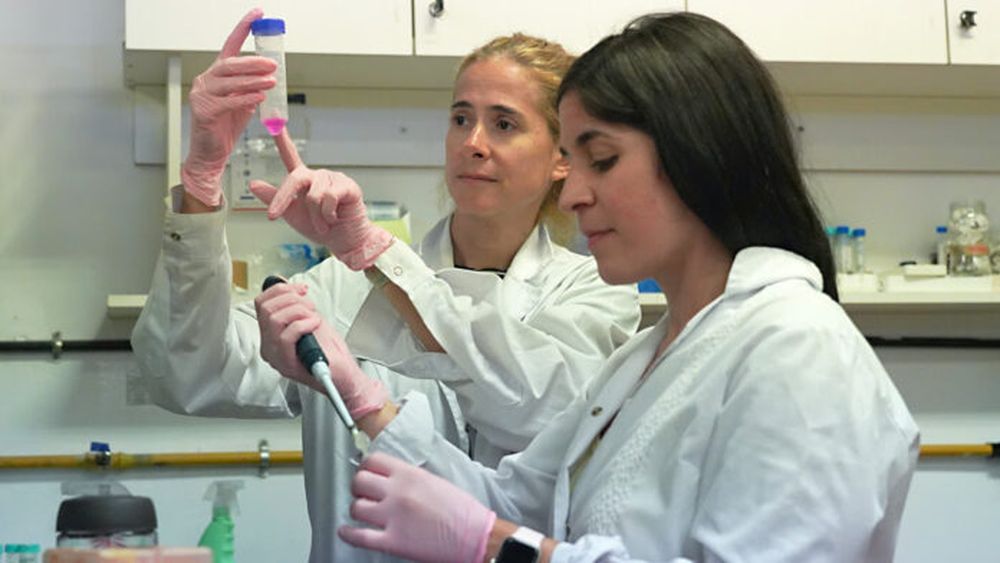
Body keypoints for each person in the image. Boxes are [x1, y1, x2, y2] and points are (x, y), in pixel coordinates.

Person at [255, 12, 920, 563]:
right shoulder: (648, 358)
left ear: (700, 153)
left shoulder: (797, 346)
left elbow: (501, 523)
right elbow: (517, 498)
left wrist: (493, 547)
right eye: (572, 160)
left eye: (600, 159)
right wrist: (361, 396)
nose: (572, 193)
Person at [130, 8, 640, 563]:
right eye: (460, 118)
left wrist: (376, 254)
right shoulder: (344, 285)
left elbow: (545, 410)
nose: (473, 142)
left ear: (562, 157)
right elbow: (189, 374)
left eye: (504, 124)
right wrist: (202, 181)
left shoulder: (595, 291)